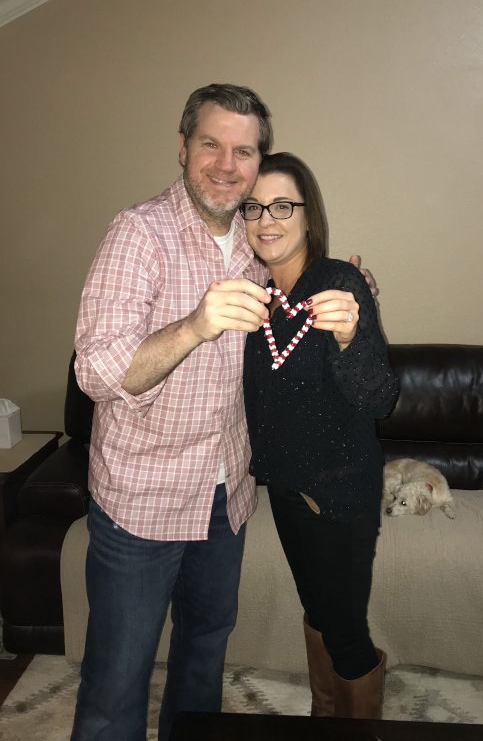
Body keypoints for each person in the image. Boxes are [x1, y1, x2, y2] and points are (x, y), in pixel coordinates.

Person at [71, 84, 377, 741]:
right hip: (143, 500)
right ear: (183, 148)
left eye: (243, 151)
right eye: (211, 144)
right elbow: (94, 372)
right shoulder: (138, 234)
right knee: (116, 681)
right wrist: (193, 326)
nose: (226, 164)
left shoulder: (253, 239)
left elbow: (304, 309)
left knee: (204, 654)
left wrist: (352, 296)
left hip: (226, 496)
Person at [242, 152, 400, 720]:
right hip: (285, 486)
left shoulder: (340, 283)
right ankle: (325, 712)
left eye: (282, 205)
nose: (267, 219)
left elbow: (380, 398)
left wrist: (351, 336)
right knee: (318, 610)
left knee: (345, 632)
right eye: (254, 206)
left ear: (309, 215)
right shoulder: (255, 296)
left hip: (339, 491)